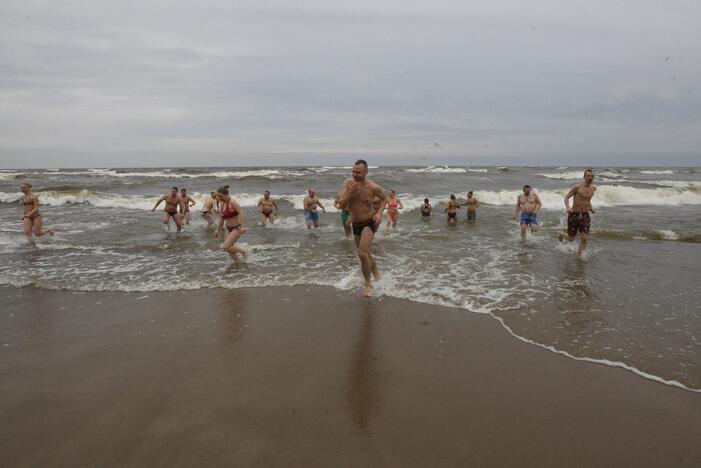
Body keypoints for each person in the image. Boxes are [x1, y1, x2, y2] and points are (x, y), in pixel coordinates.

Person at [337, 159, 388, 297]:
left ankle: (367, 284)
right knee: (366, 254)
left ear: (366, 172)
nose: (355, 175)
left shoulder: (372, 187)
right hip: (356, 224)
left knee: (362, 253)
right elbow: (341, 204)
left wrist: (379, 213)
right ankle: (376, 271)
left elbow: (384, 199)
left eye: (358, 172)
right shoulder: (348, 184)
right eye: (353, 171)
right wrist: (350, 193)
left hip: (369, 222)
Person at [559, 169, 597, 258]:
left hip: (585, 215)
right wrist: (568, 208)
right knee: (571, 239)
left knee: (584, 238)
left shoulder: (593, 188)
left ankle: (579, 255)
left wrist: (591, 209)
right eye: (588, 176)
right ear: (584, 177)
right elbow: (567, 198)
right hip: (574, 214)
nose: (590, 178)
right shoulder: (577, 187)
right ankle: (561, 234)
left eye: (592, 176)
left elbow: (587, 200)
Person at [214, 185, 249, 263]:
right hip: (228, 228)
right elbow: (221, 217)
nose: (220, 198)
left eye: (221, 196)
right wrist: (218, 230)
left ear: (226, 194)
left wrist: (243, 226)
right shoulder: (222, 204)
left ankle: (244, 252)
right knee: (229, 250)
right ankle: (237, 262)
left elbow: (241, 213)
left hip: (237, 228)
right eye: (218, 196)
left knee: (225, 247)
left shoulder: (232, 202)